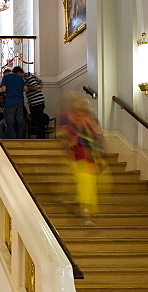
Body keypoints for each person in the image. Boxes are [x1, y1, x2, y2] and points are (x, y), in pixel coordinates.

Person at [57, 92, 106, 225]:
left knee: (88, 186)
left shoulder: (90, 119)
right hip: (77, 157)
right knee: (84, 186)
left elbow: (98, 136)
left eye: (82, 103)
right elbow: (64, 136)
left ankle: (85, 210)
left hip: (89, 158)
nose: (79, 106)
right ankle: (86, 213)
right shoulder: (69, 119)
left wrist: (100, 154)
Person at [0, 66, 27, 139]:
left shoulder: (6, 77)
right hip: (19, 102)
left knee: (10, 122)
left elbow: (3, 89)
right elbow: (25, 89)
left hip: (10, 102)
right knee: (19, 122)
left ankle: (12, 139)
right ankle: (21, 139)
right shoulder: (20, 77)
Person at [23, 70, 47, 138]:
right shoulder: (32, 77)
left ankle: (41, 137)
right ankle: (40, 136)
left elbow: (35, 87)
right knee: (37, 120)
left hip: (36, 102)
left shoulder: (29, 78)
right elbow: (40, 83)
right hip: (34, 102)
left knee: (39, 120)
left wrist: (28, 88)